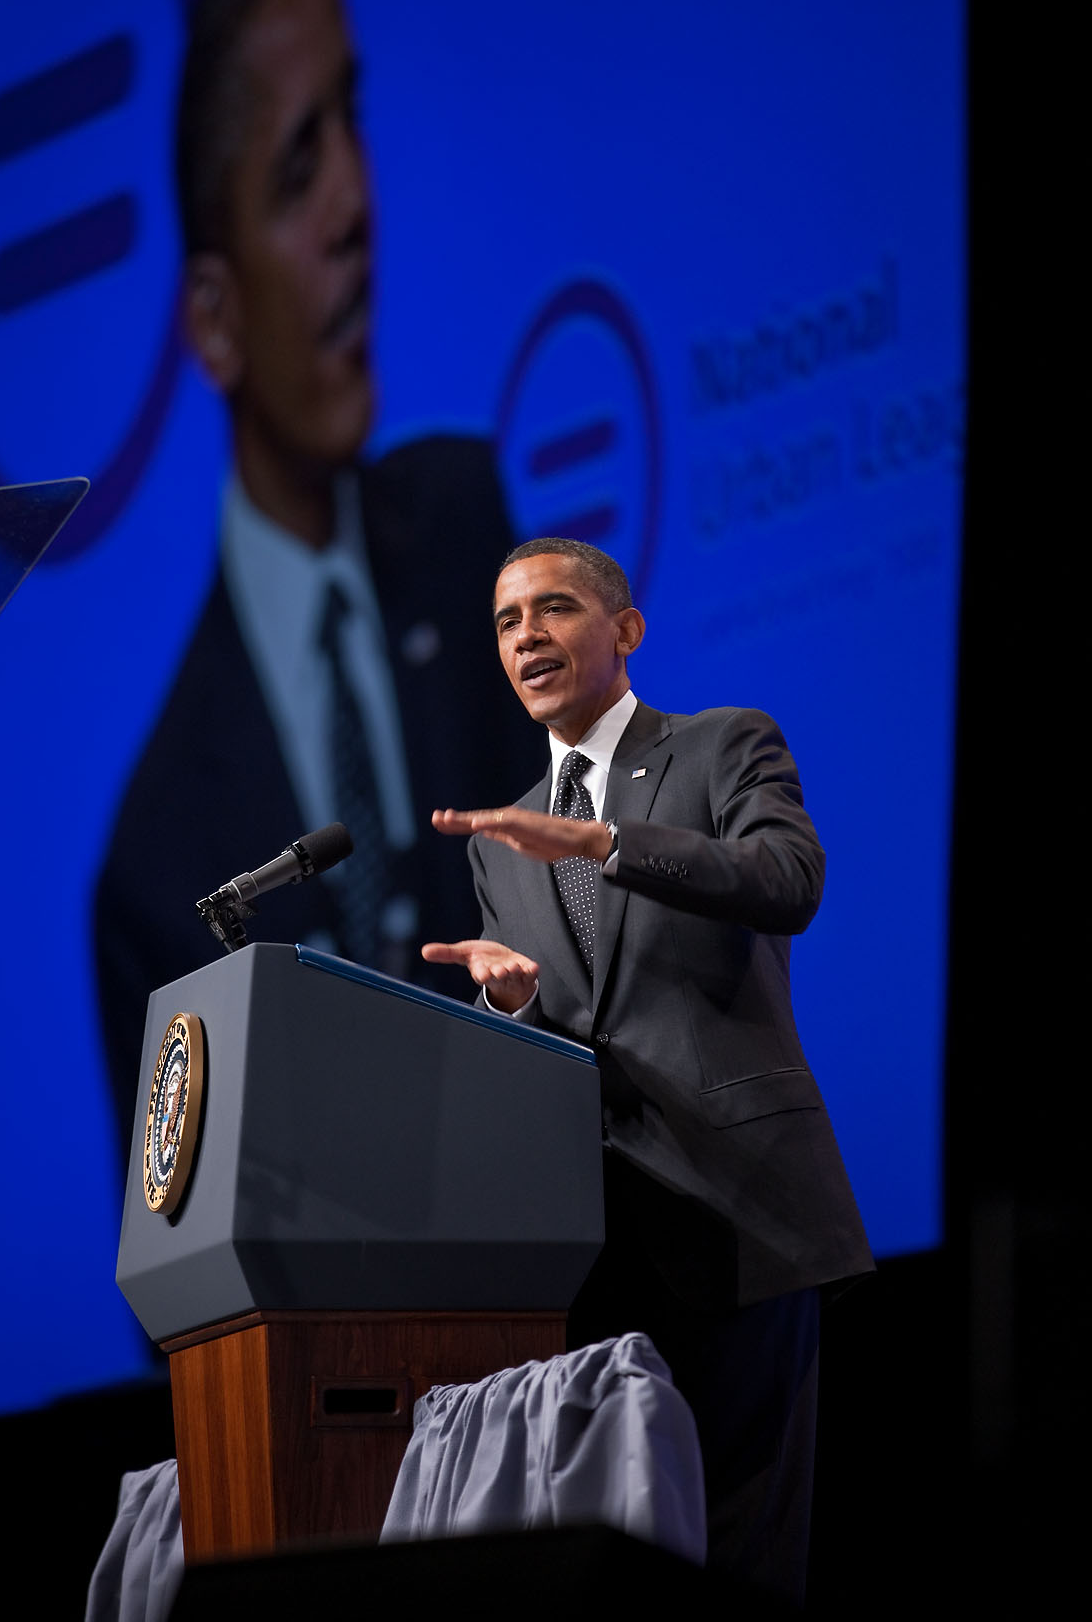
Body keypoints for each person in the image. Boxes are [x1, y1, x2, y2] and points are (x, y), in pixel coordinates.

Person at [95, 0, 541, 1158]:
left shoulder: (468, 531)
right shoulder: (154, 858)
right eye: (297, 170)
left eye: (351, 119)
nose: (356, 202)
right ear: (215, 319)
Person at [423, 536, 874, 1604]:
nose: (525, 634)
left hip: (740, 1212)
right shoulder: (495, 845)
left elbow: (787, 878)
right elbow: (551, 1036)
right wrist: (509, 1007)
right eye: (503, 621)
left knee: (743, 1552)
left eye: (553, 608)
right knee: (620, 1570)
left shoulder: (720, 747)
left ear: (622, 630)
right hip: (596, 1245)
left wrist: (599, 845)